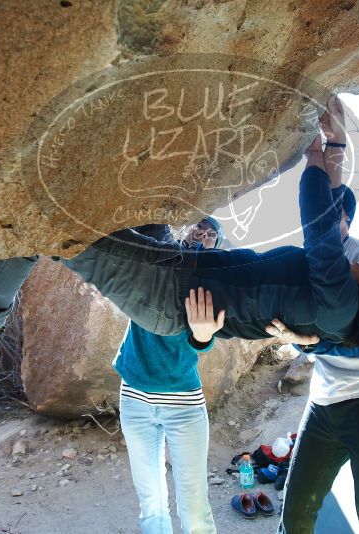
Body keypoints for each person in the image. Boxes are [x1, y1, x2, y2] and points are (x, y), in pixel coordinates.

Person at [0, 96, 359, 359]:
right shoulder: (342, 304)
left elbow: (323, 234)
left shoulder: (340, 304)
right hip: (178, 270)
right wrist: (337, 152)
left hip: (165, 295)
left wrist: (318, 156)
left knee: (49, 228)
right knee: (87, 214)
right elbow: (340, 231)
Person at [269, 98, 359, 534]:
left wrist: (333, 150)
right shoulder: (308, 260)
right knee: (295, 515)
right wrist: (299, 339)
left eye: (337, 212)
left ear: (346, 218)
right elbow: (304, 333)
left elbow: (358, 331)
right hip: (326, 404)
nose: (328, 218)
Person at [116, 220, 224, 534]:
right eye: (200, 227)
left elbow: (205, 338)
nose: (203, 234)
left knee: (194, 509)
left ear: (213, 250)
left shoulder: (208, 282)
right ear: (185, 231)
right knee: (151, 502)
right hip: (135, 397)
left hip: (183, 404)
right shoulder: (155, 262)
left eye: (211, 235)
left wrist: (204, 337)